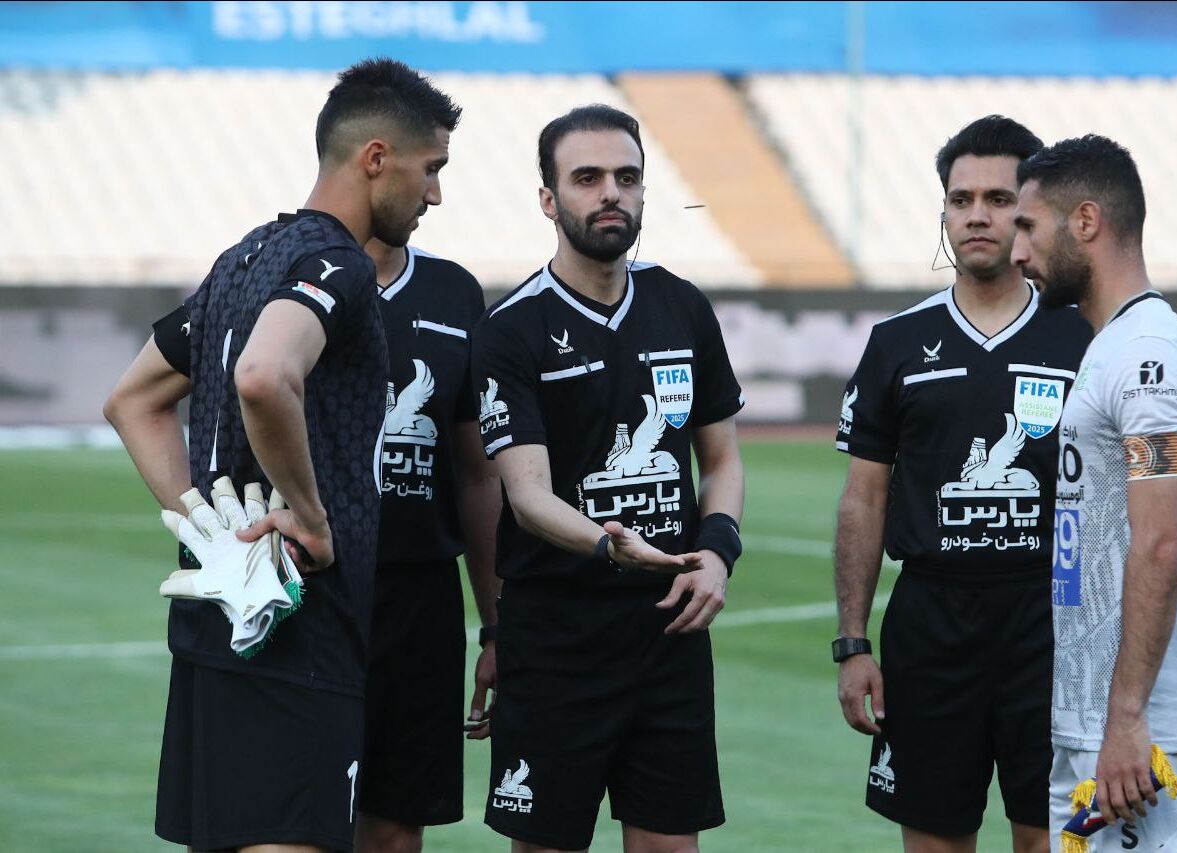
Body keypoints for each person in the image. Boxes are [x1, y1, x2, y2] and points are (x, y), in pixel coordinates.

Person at [102, 58, 461, 853]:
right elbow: (265, 375)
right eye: (431, 168)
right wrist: (311, 517)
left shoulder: (244, 257)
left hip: (219, 615)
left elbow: (133, 400)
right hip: (298, 622)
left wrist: (207, 527)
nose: (434, 193)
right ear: (377, 158)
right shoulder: (338, 264)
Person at [470, 104, 746, 853]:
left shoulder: (681, 306)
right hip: (556, 639)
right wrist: (608, 544)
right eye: (587, 178)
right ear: (549, 199)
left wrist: (717, 552)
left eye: (627, 177)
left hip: (669, 631)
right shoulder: (511, 329)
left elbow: (722, 461)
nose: (611, 194)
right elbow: (527, 495)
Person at [832, 115, 1091, 853]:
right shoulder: (895, 342)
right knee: (936, 839)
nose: (977, 214)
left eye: (999, 199)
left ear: (1032, 211)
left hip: (1053, 618)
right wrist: (852, 642)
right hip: (931, 622)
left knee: (1050, 838)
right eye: (960, 198)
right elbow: (863, 498)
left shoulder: (1082, 335)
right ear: (943, 211)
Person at [1012, 134, 1177, 852]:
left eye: (1028, 226)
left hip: (1146, 737)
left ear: (1085, 221)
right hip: (1103, 727)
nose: (1018, 251)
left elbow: (1163, 540)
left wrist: (1129, 718)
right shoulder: (1117, 347)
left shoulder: (1148, 361)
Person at [354, 234, 502, 852]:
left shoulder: (453, 291)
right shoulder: (288, 275)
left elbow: (478, 474)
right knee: (293, 820)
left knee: (396, 827)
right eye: (427, 180)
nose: (434, 194)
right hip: (307, 593)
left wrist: (497, 628)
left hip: (421, 603)